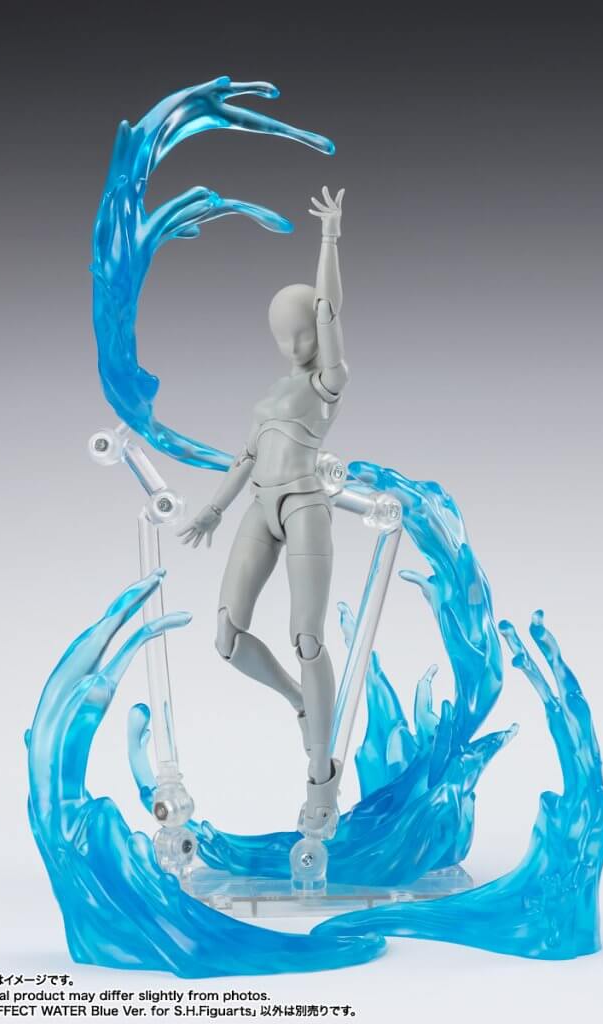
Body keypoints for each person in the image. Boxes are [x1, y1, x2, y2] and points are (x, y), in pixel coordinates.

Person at [179, 188, 348, 833]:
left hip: (304, 503)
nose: (295, 343)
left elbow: (329, 310)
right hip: (259, 504)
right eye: (285, 336)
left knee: (307, 637)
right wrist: (214, 510)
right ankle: (299, 701)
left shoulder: (328, 382)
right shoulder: (275, 389)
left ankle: (321, 782)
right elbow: (245, 457)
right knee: (228, 636)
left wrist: (329, 239)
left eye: (302, 333)